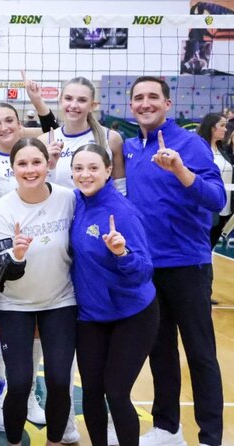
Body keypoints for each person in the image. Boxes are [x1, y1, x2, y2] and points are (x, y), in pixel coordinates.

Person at [126, 76, 225, 446]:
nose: (145, 103)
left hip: (188, 265)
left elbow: (217, 200)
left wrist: (181, 171)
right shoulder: (131, 148)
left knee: (201, 353)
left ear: (168, 104)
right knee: (160, 351)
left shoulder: (190, 144)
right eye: (139, 97)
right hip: (147, 269)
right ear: (131, 106)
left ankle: (211, 437)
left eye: (153, 96)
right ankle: (167, 428)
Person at [0, 138, 76, 446]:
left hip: (61, 301)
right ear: (12, 169)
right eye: (22, 164)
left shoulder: (67, 199)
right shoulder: (1, 210)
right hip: (16, 305)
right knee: (20, 382)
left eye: (36, 162)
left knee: (60, 381)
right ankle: (13, 442)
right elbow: (2, 273)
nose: (30, 169)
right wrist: (17, 257)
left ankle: (54, 442)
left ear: (48, 164)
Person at [68, 143, 158, 446]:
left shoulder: (122, 213)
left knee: (117, 393)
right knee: (92, 391)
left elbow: (145, 271)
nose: (85, 174)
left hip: (133, 314)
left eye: (93, 168)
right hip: (91, 315)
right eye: (79, 168)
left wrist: (122, 254)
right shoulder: (75, 202)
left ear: (108, 171)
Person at [37, 77, 126, 194]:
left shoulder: (111, 138)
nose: (74, 105)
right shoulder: (44, 141)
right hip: (58, 205)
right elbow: (38, 187)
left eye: (82, 100)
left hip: (97, 205)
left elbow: (120, 188)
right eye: (68, 98)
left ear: (92, 106)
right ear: (61, 100)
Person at [197, 112, 233, 247]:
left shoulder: (222, 149)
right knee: (203, 246)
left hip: (225, 207)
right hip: (208, 207)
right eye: (222, 125)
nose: (226, 129)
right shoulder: (199, 149)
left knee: (211, 245)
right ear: (212, 127)